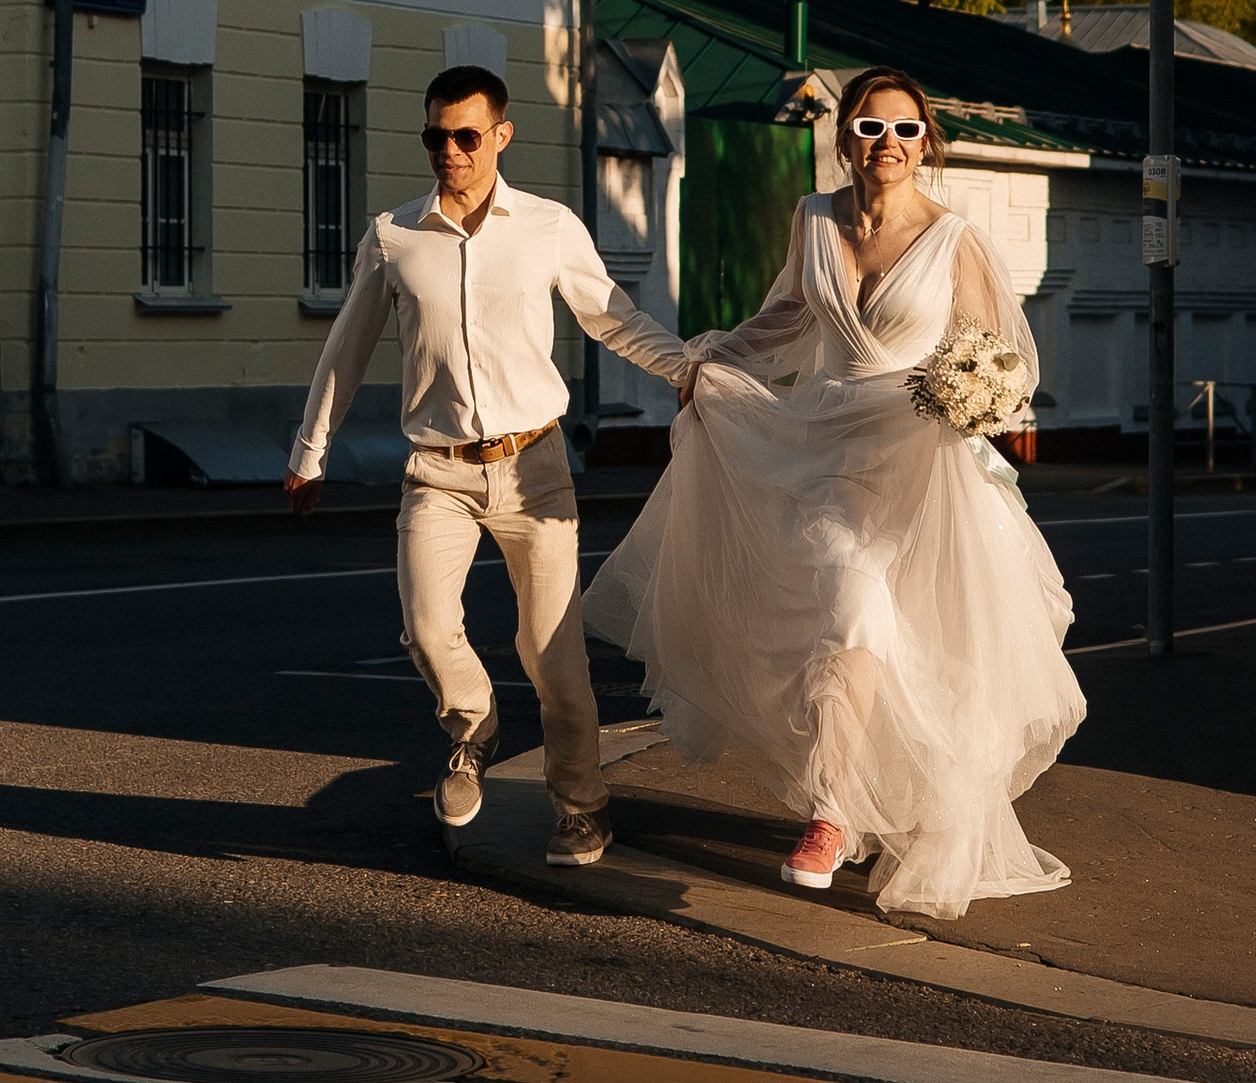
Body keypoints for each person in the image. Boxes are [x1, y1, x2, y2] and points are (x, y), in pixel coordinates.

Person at [583, 67, 1082, 920]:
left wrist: (975, 397)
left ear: (928, 142)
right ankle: (834, 810)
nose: (887, 144)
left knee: (920, 638)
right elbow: (784, 320)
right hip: (820, 444)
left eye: (905, 130)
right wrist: (714, 360)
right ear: (844, 137)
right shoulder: (813, 219)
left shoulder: (955, 238)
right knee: (848, 608)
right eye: (869, 128)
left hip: (920, 458)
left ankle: (894, 801)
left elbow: (1003, 361)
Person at [287, 64, 692, 865]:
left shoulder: (547, 227)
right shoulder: (395, 234)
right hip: (436, 473)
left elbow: (613, 317)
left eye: (466, 136)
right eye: (436, 136)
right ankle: (472, 730)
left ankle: (582, 807)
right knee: (427, 627)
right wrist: (310, 451)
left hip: (534, 472)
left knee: (553, 657)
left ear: (501, 136)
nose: (450, 150)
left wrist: (686, 370)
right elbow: (346, 351)